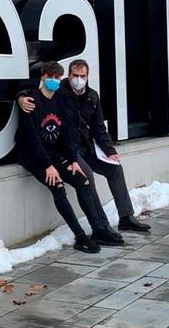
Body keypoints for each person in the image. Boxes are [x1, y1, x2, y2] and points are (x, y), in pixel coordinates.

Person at [18, 59, 150, 233]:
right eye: (75, 75)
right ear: (69, 75)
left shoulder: (92, 96)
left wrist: (110, 150)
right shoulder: (59, 91)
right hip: (68, 150)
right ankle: (102, 225)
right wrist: (20, 97)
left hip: (86, 147)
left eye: (83, 76)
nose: (79, 79)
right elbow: (35, 93)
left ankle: (126, 217)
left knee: (115, 169)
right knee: (87, 176)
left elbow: (98, 128)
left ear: (87, 77)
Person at [15, 61, 123, 253]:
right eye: (50, 77)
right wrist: (48, 165)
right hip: (32, 155)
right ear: (42, 77)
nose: (54, 81)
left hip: (54, 152)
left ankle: (98, 230)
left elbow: (66, 134)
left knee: (83, 181)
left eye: (57, 78)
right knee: (57, 186)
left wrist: (73, 160)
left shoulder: (60, 100)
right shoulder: (31, 100)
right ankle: (80, 237)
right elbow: (31, 138)